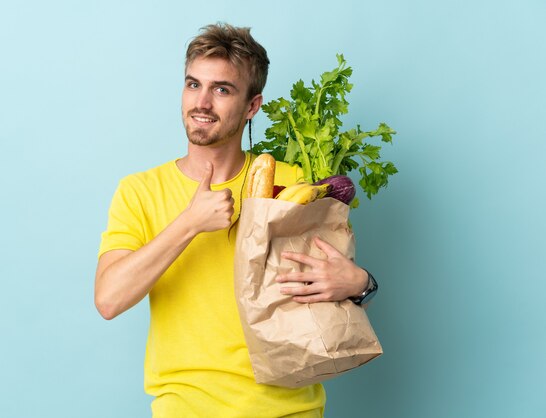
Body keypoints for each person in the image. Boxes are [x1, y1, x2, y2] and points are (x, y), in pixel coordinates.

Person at [95, 23, 375, 418]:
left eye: (221, 89)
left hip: (289, 408)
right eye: (193, 85)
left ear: (252, 106)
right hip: (186, 407)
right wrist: (189, 223)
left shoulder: (294, 184)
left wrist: (361, 283)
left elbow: (328, 286)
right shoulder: (139, 191)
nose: (202, 102)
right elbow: (108, 299)